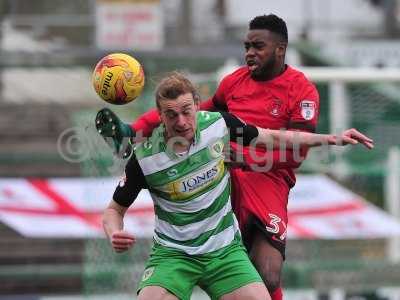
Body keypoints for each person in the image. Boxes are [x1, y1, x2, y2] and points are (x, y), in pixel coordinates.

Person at [97, 15, 367, 300]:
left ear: (280, 48)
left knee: (267, 273)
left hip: (266, 177)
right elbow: (192, 114)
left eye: (258, 46)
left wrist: (248, 158)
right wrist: (137, 131)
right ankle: (130, 132)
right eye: (246, 46)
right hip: (223, 171)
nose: (249, 52)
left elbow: (295, 152)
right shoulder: (232, 84)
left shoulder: (301, 90)